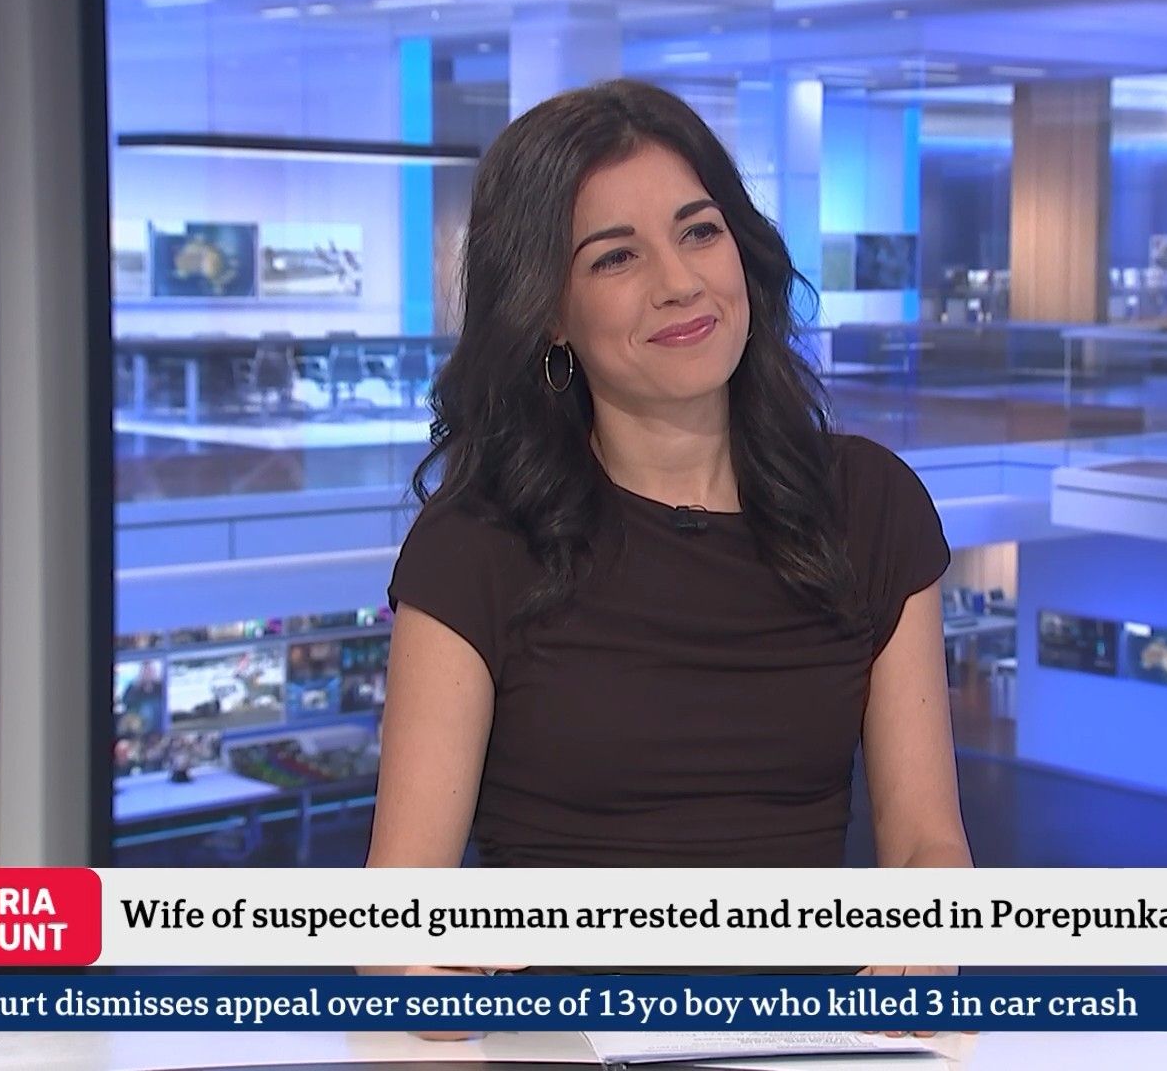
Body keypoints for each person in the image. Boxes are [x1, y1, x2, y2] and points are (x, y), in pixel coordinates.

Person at [364, 79, 972, 1029]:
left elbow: (927, 844)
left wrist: (924, 945)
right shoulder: (477, 546)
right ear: (549, 312)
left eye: (699, 232)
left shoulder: (870, 507)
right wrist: (427, 980)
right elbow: (398, 913)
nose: (680, 282)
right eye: (616, 257)